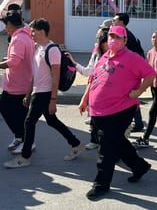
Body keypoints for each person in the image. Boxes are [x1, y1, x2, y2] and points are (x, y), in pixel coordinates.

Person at [78, 25, 155, 200]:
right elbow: (93, 79)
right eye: (111, 36)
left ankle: (101, 184)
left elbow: (150, 74)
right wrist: (84, 99)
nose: (113, 40)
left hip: (120, 108)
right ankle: (139, 166)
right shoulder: (104, 56)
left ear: (125, 40)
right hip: (98, 110)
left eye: (118, 37)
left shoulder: (132, 58)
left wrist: (138, 92)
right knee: (114, 141)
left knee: (106, 147)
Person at [4, 18, 85, 168]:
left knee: (29, 122)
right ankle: (76, 144)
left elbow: (56, 77)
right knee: (52, 121)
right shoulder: (38, 48)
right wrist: (28, 94)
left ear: (41, 31)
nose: (31, 34)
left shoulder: (52, 50)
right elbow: (35, 74)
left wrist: (53, 100)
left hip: (45, 93)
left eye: (33, 31)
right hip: (37, 91)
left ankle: (25, 157)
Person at [66, 27, 109, 150]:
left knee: (108, 124)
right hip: (96, 94)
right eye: (104, 41)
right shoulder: (96, 56)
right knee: (95, 119)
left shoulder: (117, 57)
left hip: (110, 96)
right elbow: (88, 72)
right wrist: (74, 63)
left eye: (108, 41)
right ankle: (94, 140)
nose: (106, 44)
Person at [0, 11, 35, 153]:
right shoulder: (25, 34)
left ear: (10, 24)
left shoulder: (19, 39)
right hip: (19, 83)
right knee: (11, 111)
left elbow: (14, 61)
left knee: (16, 114)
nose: (4, 27)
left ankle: (28, 142)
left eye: (5, 24)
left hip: (18, 85)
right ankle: (20, 137)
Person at [134, 31, 157, 148]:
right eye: (153, 37)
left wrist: (156, 74)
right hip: (153, 86)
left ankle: (145, 137)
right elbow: (147, 68)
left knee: (153, 111)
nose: (155, 40)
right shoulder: (150, 52)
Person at [112, 12, 145, 132]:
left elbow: (129, 57)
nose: (113, 22)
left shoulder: (127, 37)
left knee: (130, 98)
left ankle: (137, 123)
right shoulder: (124, 35)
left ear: (121, 22)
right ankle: (136, 122)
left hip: (130, 73)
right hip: (128, 72)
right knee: (129, 98)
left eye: (114, 20)